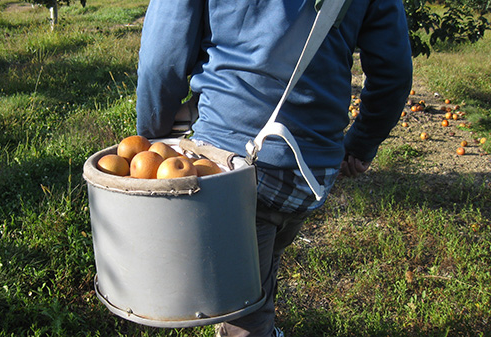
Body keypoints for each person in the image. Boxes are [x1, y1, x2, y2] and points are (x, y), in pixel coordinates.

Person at [135, 0, 413, 335]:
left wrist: (152, 138)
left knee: (244, 310)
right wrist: (360, 144)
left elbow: (160, 62)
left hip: (230, 169)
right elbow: (394, 74)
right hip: (310, 172)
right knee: (260, 259)